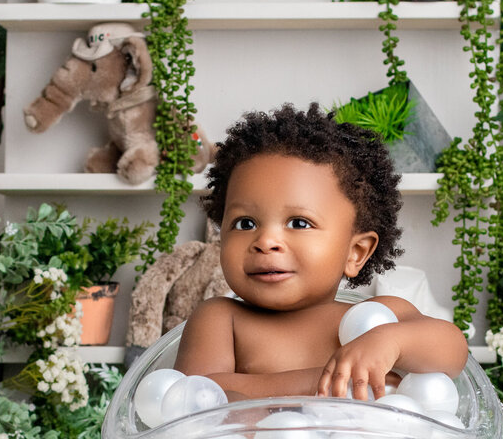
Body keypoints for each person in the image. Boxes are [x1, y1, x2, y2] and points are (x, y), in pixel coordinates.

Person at [174, 103, 468, 401]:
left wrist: (392, 342)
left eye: (299, 223)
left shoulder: (379, 317)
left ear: (356, 252)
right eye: (245, 223)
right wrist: (318, 380)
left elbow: (454, 351)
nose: (266, 241)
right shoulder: (221, 318)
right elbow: (194, 395)